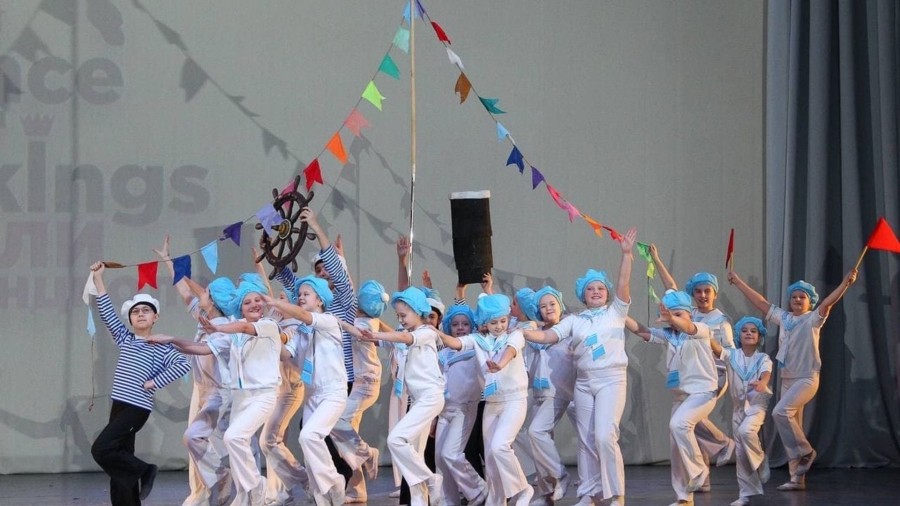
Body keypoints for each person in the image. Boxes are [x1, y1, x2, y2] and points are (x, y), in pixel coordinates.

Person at [521, 227, 637, 506]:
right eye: (590, 289)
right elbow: (549, 336)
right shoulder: (575, 320)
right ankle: (588, 493)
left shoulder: (615, 311)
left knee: (604, 435)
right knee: (585, 439)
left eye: (600, 288)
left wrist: (626, 254)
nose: (595, 292)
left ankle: (616, 494)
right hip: (584, 383)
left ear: (606, 293)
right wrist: (521, 333)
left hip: (611, 379)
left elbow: (623, 284)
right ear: (583, 295)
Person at [149, 273, 282, 506]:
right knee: (234, 442)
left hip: (240, 393)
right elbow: (191, 304)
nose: (253, 304)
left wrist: (174, 339)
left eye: (256, 300)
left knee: (235, 439)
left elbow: (236, 330)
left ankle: (248, 485)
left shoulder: (255, 325)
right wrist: (174, 267)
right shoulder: (220, 327)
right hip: (232, 394)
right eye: (246, 302)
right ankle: (241, 492)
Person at [727, 267, 858, 491]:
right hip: (787, 378)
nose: (797, 300)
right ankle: (797, 478)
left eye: (802, 297)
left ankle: (806, 452)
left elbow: (828, 302)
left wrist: (845, 283)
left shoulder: (813, 318)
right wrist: (738, 282)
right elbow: (760, 302)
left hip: (807, 378)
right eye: (794, 297)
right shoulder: (784, 318)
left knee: (780, 412)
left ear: (809, 301)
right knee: (792, 425)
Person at [89, 261, 192, 506]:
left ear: (156, 317)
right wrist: (98, 278)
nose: (141, 314)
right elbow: (107, 312)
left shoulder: (162, 346)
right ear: (130, 319)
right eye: (135, 312)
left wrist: (154, 382)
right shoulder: (125, 339)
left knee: (101, 449)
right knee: (120, 456)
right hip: (119, 405)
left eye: (146, 310)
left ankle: (146, 471)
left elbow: (183, 364)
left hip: (136, 407)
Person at [272, 208, 356, 486]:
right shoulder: (310, 304)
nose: (323, 272)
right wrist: (274, 256)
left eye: (327, 268)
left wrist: (317, 228)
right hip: (315, 382)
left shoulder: (343, 301)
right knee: (316, 433)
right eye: (318, 270)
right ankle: (335, 481)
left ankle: (344, 474)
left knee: (323, 432)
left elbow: (336, 272)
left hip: (340, 378)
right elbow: (294, 286)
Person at [345, 286, 446, 506]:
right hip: (417, 400)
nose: (400, 319)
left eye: (403, 315)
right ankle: (419, 498)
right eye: (398, 316)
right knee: (411, 451)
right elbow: (370, 337)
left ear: (418, 312)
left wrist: (376, 333)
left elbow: (403, 337)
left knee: (395, 440)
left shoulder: (427, 332)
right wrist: (340, 323)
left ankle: (431, 479)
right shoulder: (404, 334)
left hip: (431, 397)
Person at [153, 237, 234, 506]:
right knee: (195, 443)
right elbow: (185, 291)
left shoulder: (226, 327)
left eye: (206, 293)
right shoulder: (204, 317)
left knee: (215, 442)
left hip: (221, 392)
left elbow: (200, 349)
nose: (201, 294)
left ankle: (230, 483)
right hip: (202, 389)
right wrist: (168, 260)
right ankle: (202, 490)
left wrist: (171, 340)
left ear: (214, 300)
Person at [435, 294, 534, 506]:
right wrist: (435, 332)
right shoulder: (477, 340)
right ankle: (496, 501)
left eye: (502, 321)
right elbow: (456, 342)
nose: (499, 326)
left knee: (499, 447)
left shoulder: (514, 335)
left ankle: (523, 489)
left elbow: (510, 351)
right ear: (485, 323)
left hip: (514, 400)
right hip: (492, 403)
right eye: (494, 322)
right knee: (490, 458)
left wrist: (500, 365)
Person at [651, 246, 737, 488]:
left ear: (714, 293)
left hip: (713, 375)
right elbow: (670, 286)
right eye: (698, 291)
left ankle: (720, 447)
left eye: (707, 291)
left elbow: (731, 354)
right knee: (688, 424)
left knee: (687, 420)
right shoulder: (685, 312)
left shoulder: (720, 321)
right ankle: (703, 477)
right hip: (689, 375)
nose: (702, 295)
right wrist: (656, 258)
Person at [626, 290, 718, 506]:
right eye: (671, 315)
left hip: (702, 392)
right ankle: (684, 497)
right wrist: (620, 314)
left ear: (689, 314)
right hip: (681, 396)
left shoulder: (701, 329)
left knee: (679, 425)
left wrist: (672, 318)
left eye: (679, 314)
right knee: (676, 447)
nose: (674, 319)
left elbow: (688, 327)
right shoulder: (669, 335)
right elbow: (643, 331)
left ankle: (699, 470)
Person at [266, 276, 350, 506]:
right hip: (312, 394)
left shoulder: (328, 320)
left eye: (306, 294)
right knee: (308, 446)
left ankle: (335, 481)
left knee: (309, 435)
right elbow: (286, 354)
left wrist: (276, 302)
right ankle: (323, 498)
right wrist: (270, 332)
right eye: (300, 294)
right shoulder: (302, 330)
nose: (301, 297)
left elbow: (305, 316)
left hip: (333, 392)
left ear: (320, 300)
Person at [330, 280, 388, 503]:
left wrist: (336, 320)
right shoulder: (369, 320)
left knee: (337, 423)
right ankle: (356, 490)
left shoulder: (364, 324)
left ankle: (367, 452)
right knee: (345, 439)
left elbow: (357, 331)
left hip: (366, 384)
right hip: (359, 383)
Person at [708, 317, 773, 506]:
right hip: (738, 408)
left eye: (753, 331)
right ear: (738, 335)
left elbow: (766, 373)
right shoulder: (732, 355)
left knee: (746, 432)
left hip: (757, 404)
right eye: (744, 331)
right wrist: (703, 333)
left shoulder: (762, 358)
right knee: (742, 453)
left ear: (759, 336)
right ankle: (745, 494)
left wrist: (763, 382)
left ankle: (761, 460)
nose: (749, 333)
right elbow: (717, 348)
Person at [524, 286, 576, 506]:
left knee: (536, 432)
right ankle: (547, 494)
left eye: (552, 304)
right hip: (539, 393)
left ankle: (560, 475)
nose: (548, 309)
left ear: (560, 305)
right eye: (543, 306)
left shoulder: (569, 330)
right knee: (538, 442)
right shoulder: (533, 332)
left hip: (560, 392)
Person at [435, 304, 488, 506]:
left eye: (465, 324)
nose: (460, 328)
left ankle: (479, 489)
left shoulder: (474, 348)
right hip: (444, 410)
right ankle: (448, 500)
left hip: (463, 409)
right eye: (455, 324)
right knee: (440, 457)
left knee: (451, 453)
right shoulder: (444, 354)